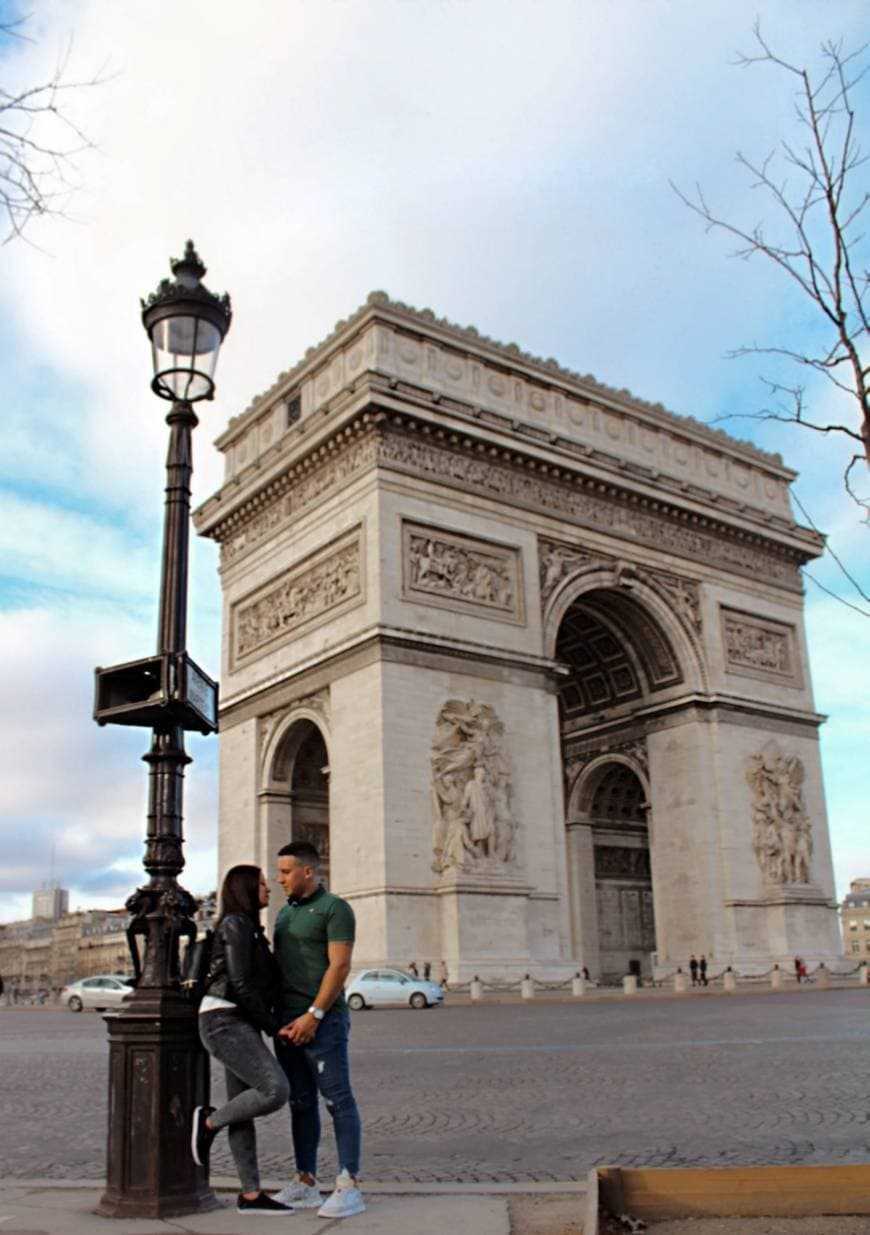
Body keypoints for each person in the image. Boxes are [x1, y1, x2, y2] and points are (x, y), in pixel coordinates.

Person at [192, 864, 292, 1215]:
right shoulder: (236, 925)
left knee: (243, 1110)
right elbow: (242, 983)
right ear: (247, 889)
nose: (269, 888)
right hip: (225, 1020)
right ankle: (208, 1123)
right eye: (262, 883)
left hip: (237, 1020)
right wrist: (273, 1024)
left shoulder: (249, 928)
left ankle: (250, 1194)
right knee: (274, 1090)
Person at [272, 841, 365, 1219]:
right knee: (301, 1103)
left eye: (285, 872)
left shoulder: (335, 909)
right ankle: (306, 1182)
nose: (279, 879)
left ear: (307, 871)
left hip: (322, 1022)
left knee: (337, 1100)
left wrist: (315, 1014)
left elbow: (339, 967)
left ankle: (348, 1184)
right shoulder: (282, 915)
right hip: (287, 1024)